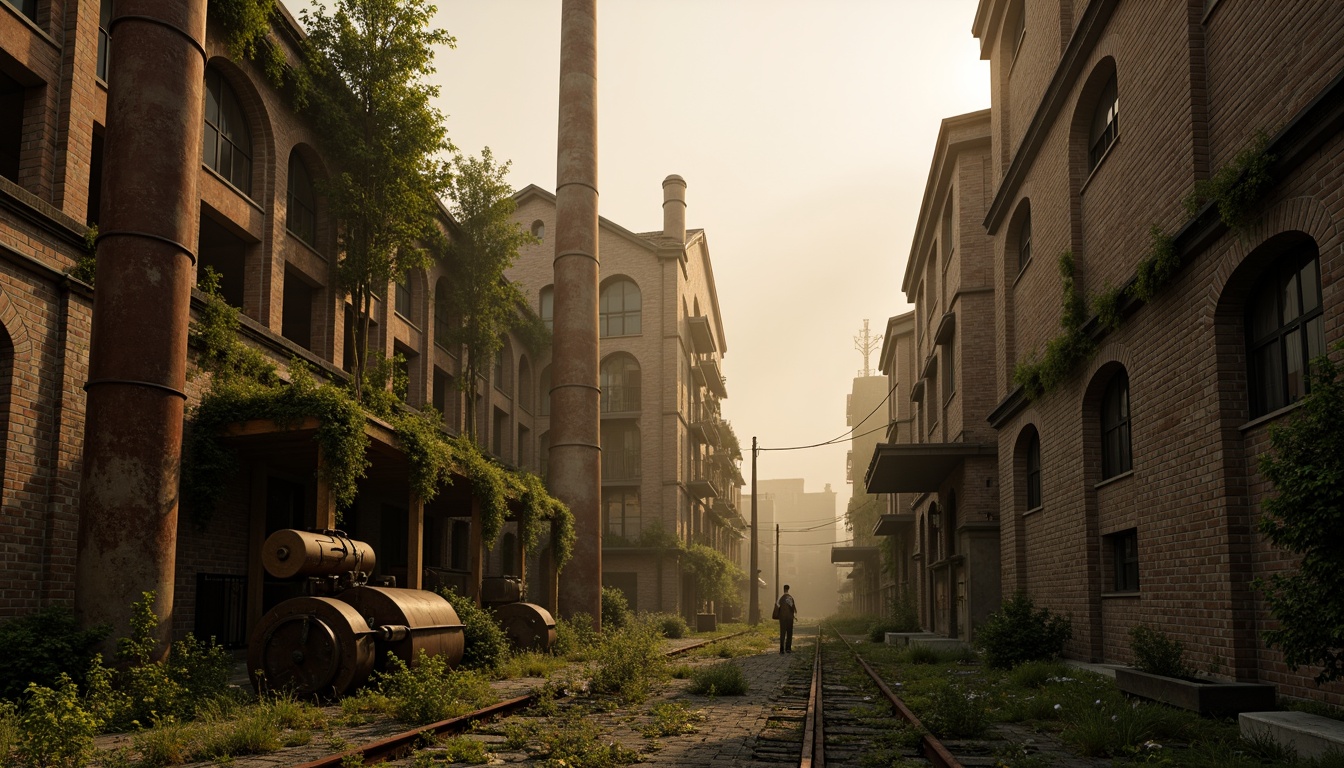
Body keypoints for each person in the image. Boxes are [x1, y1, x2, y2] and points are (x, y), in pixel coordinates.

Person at [776, 584, 797, 654]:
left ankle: (781, 649)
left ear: (783, 589)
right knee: (789, 632)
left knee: (782, 632)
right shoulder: (789, 598)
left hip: (782, 618)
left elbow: (777, 607)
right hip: (789, 618)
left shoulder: (780, 598)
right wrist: (794, 615)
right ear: (788, 589)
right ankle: (788, 648)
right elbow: (792, 608)